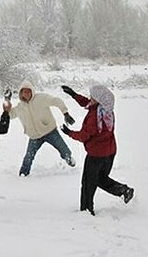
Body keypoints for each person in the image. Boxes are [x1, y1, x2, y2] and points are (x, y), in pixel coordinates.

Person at [60, 84, 134, 215]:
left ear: (98, 99)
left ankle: (86, 210)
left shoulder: (95, 117)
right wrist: (73, 94)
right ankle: (124, 190)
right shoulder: (106, 110)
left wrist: (69, 133)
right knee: (100, 179)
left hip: (96, 155)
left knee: (88, 182)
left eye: (93, 97)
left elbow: (84, 135)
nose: (90, 98)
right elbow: (88, 103)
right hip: (109, 153)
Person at [8, 81, 77, 176]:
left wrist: (65, 113)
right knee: (28, 157)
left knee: (63, 148)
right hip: (34, 137)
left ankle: (69, 158)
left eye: (28, 91)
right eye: (24, 92)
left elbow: (57, 101)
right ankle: (23, 173)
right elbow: (9, 115)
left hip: (50, 132)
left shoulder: (41, 98)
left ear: (32, 91)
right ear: (21, 93)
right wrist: (7, 101)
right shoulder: (20, 107)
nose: (27, 93)